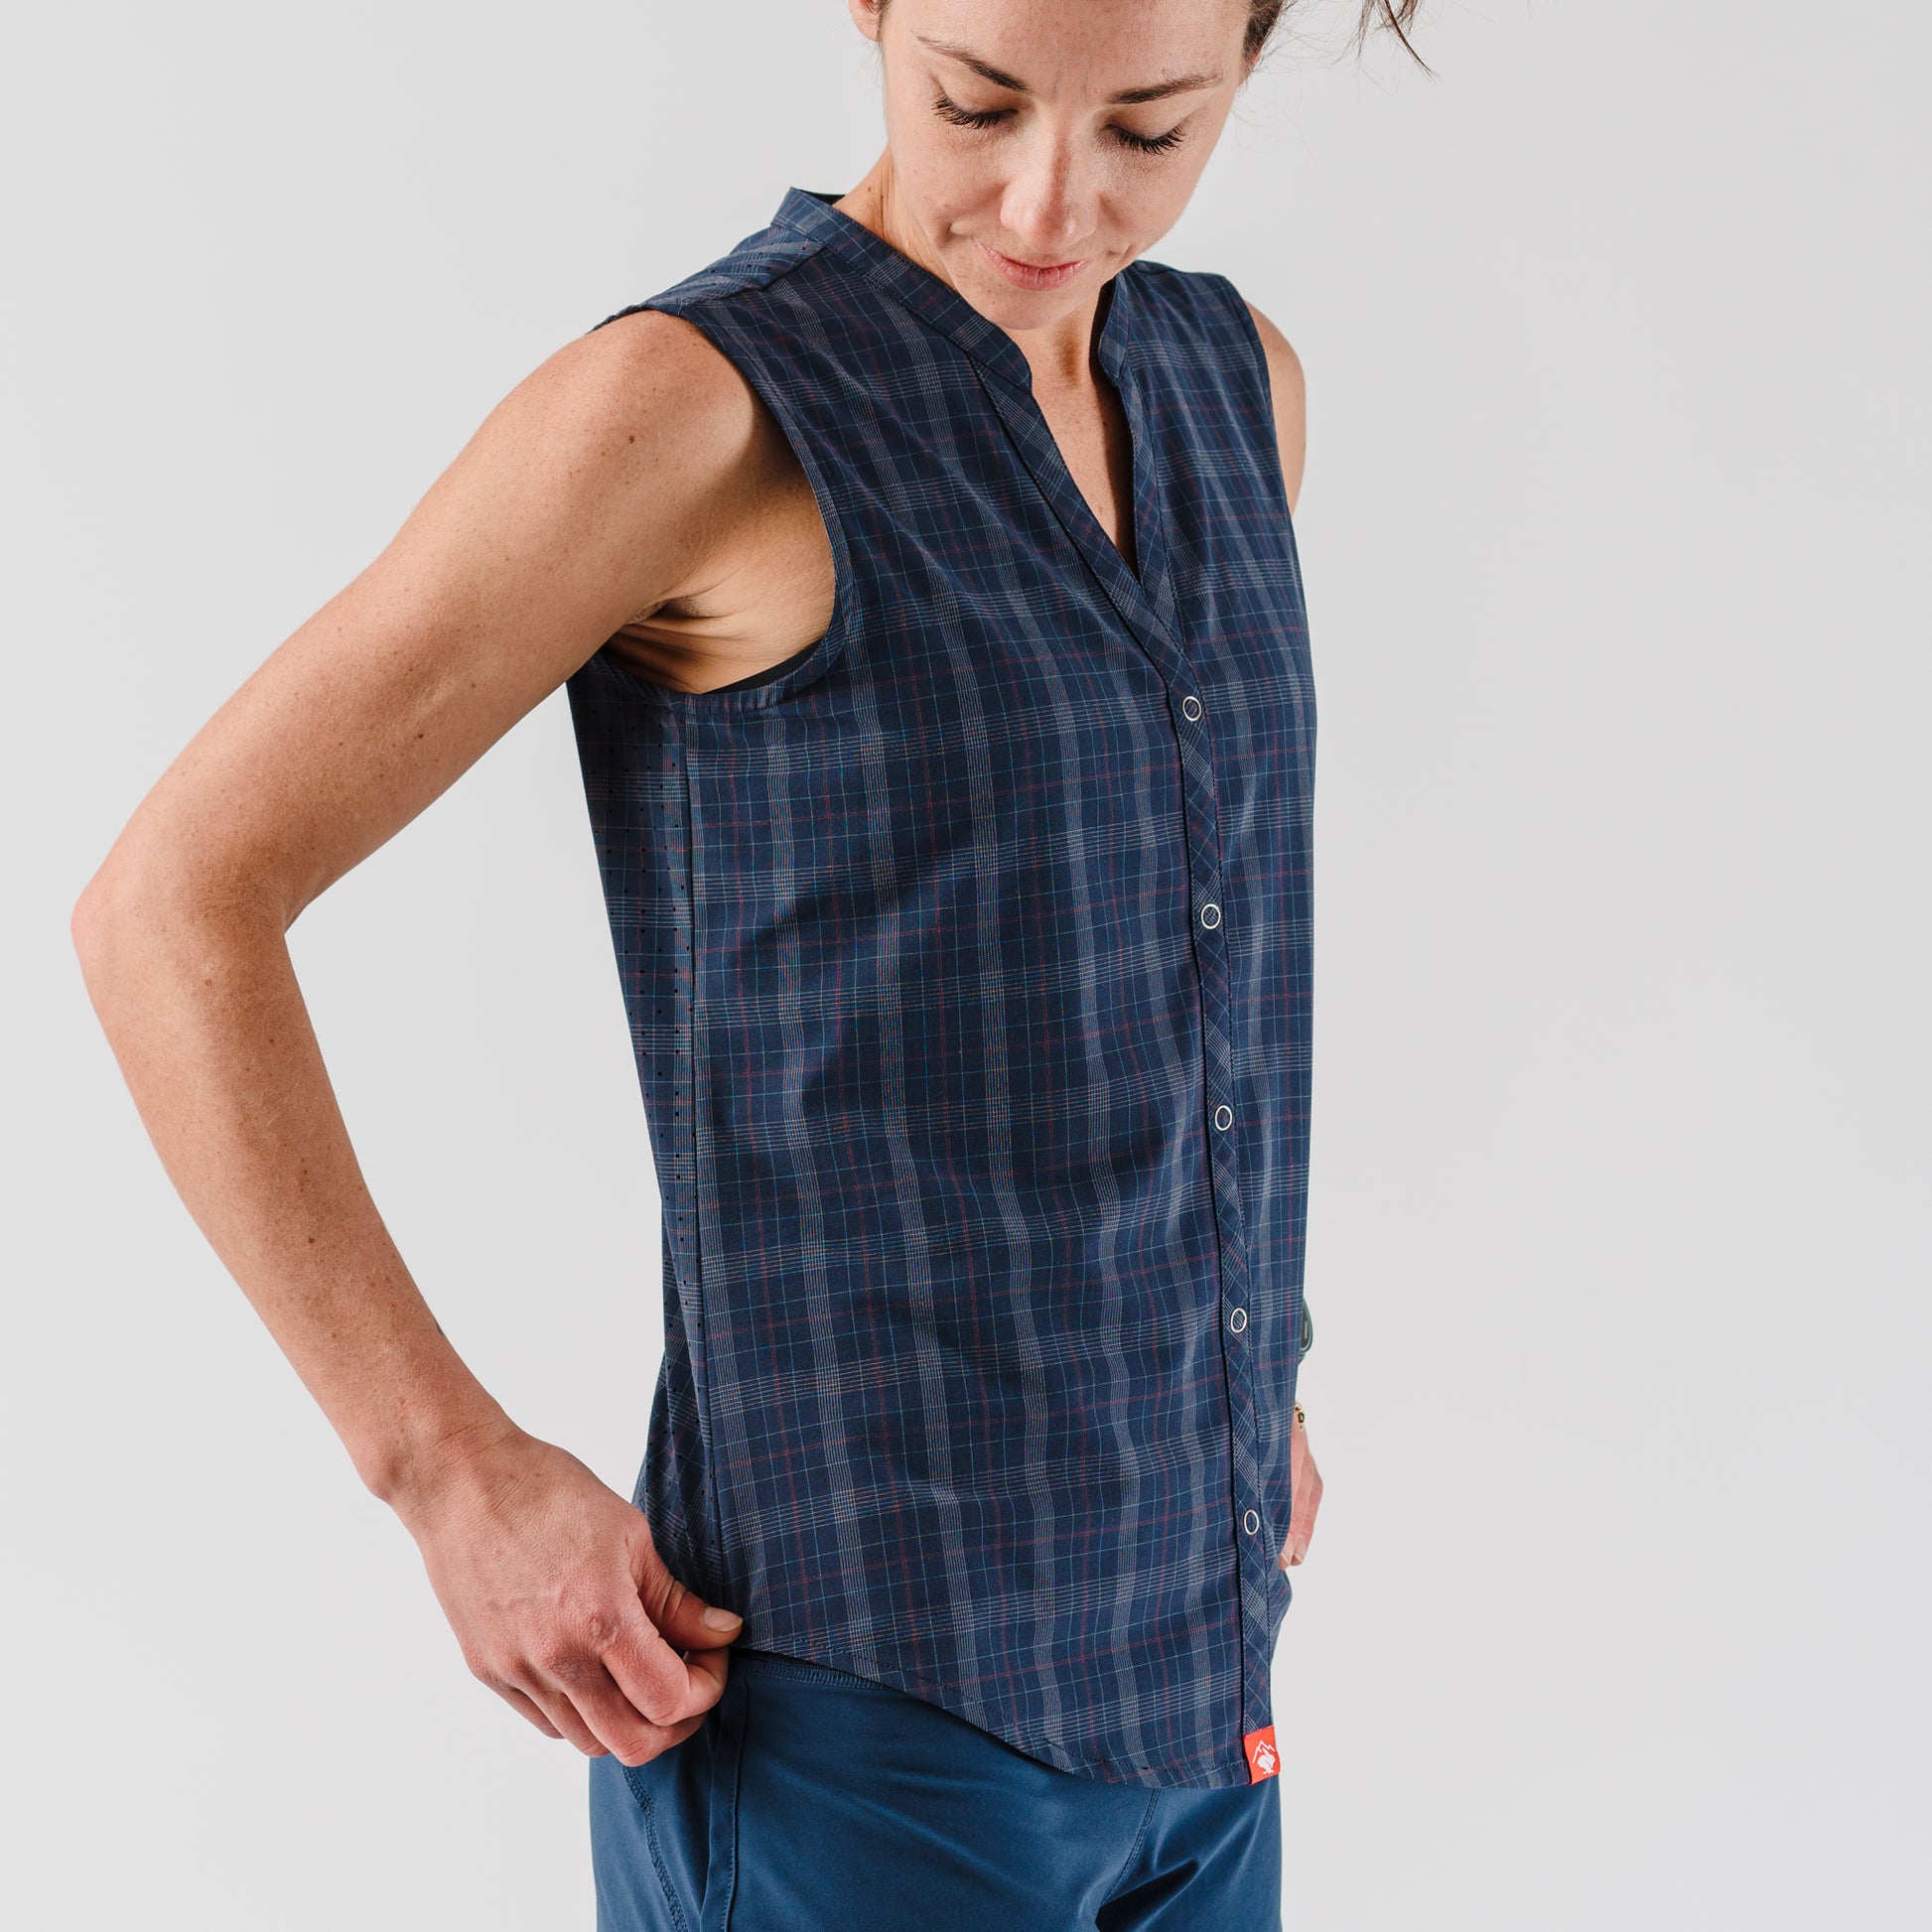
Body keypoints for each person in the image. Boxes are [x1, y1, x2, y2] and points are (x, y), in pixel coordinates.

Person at [73, 0, 1420, 1923]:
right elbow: (172, 904)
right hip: (856, 1723)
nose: (1048, 201)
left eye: (1148, 127)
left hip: (1202, 1691)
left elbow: (1150, 939)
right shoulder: (694, 410)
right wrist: (444, 1467)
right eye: (975, 101)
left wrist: (1230, 1369)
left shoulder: (1236, 387)